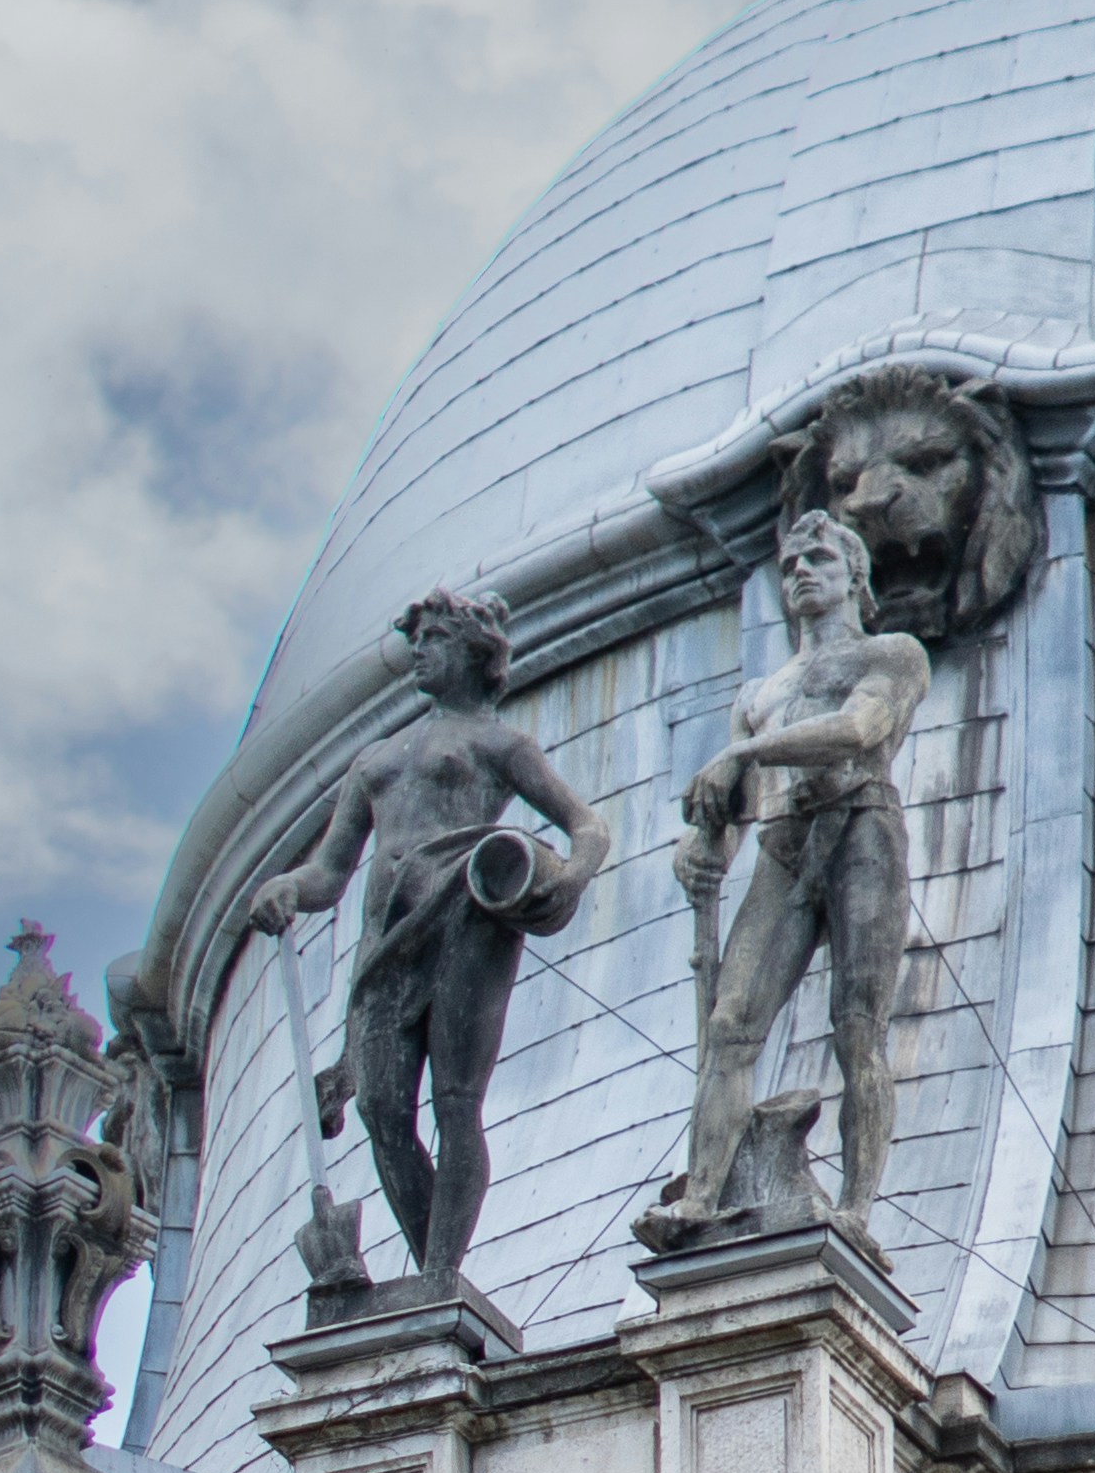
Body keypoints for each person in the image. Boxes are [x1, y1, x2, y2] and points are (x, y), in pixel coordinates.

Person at [248, 589, 608, 1294]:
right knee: (379, 1108)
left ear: (476, 653)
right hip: (386, 941)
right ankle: (431, 1271)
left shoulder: (500, 744)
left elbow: (585, 824)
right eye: (418, 638)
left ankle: (440, 1274)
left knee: (454, 1103)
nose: (420, 650)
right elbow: (329, 871)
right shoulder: (375, 759)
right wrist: (288, 886)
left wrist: (566, 879)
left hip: (464, 918)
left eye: (436, 637)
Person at [650, 503, 928, 1241]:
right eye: (789, 566)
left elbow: (859, 729)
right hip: (783, 844)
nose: (802, 572)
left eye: (820, 561)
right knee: (728, 1025)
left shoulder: (889, 654)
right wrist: (701, 852)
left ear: (853, 578)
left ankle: (857, 1207)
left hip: (861, 830)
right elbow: (730, 814)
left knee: (856, 1029)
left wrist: (744, 755)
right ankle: (700, 1198)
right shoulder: (760, 694)